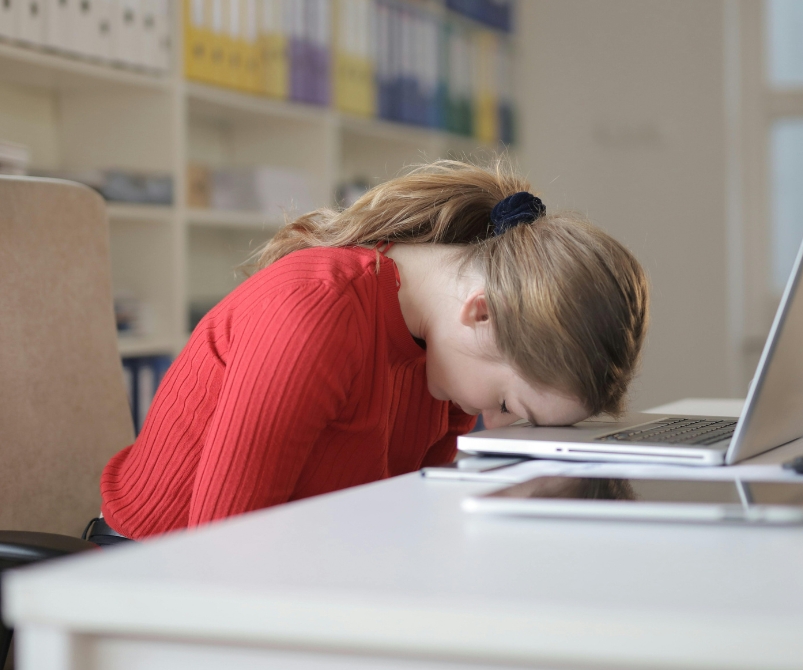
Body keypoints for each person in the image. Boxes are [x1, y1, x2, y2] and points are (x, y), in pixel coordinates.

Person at [100, 158, 649, 539]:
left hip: (302, 567)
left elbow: (404, 519)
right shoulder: (315, 311)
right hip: (152, 580)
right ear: (481, 313)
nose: (497, 426)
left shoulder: (445, 357)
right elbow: (224, 552)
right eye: (509, 407)